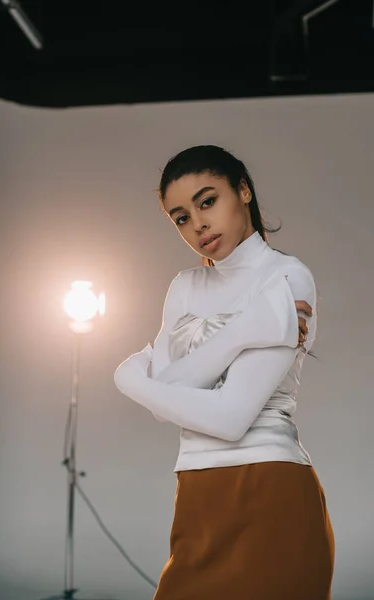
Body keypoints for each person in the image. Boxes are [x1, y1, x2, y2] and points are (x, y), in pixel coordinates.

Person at [114, 145, 335, 599]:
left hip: (270, 490)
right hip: (196, 497)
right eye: (180, 217)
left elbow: (229, 419)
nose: (197, 224)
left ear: (244, 190)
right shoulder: (184, 286)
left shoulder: (287, 278)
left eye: (207, 201)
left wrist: (135, 382)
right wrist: (244, 331)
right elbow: (165, 402)